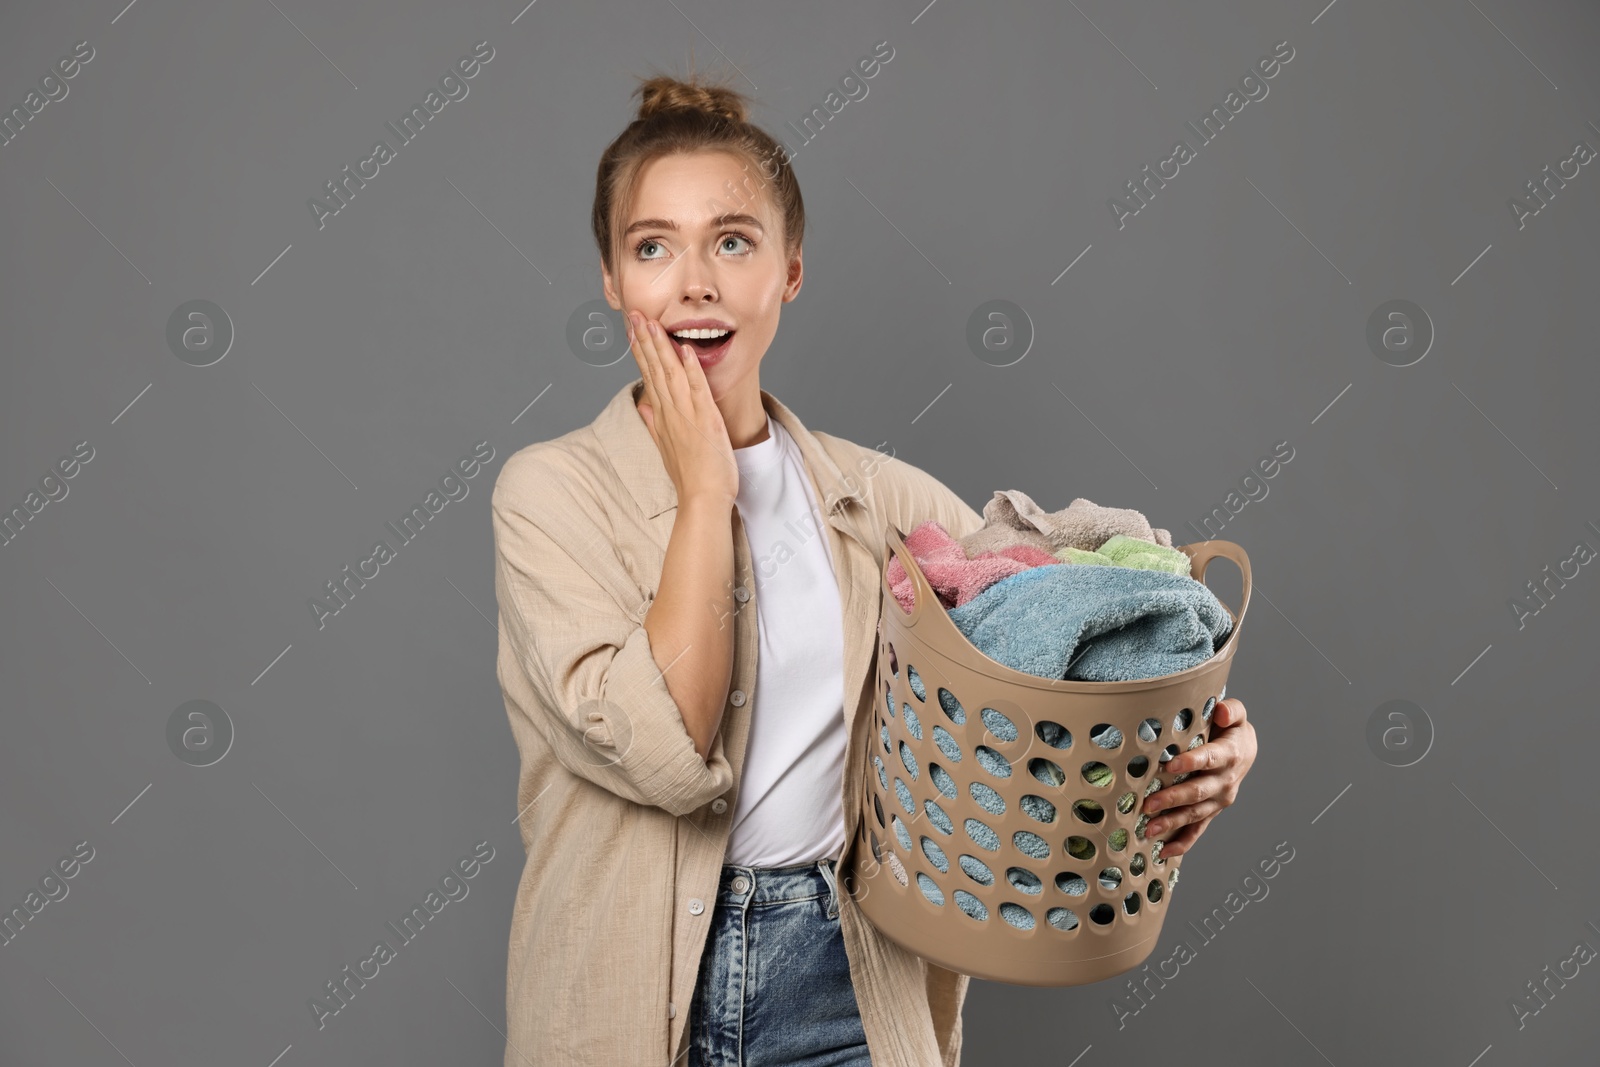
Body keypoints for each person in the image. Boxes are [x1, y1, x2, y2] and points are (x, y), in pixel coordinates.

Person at [490, 70, 1260, 1067]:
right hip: (625, 996)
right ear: (610, 278)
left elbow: (1063, 634)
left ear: (789, 270)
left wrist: (1206, 737)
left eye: (732, 240)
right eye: (651, 247)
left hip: (846, 980)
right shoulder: (550, 494)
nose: (694, 283)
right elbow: (668, 751)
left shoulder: (885, 501)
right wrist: (703, 493)